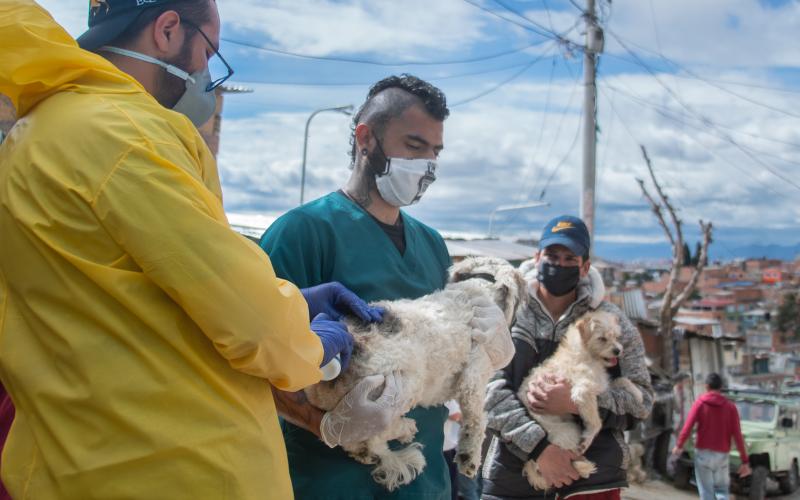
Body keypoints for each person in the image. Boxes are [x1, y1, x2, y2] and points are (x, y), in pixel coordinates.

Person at [0, 1, 374, 498]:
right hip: (176, 468)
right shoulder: (124, 133)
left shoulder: (34, 135)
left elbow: (114, 297)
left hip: (75, 460)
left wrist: (294, 302)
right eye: (209, 51)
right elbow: (254, 325)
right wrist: (311, 344)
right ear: (169, 29)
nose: (205, 74)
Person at [260, 74, 512, 499]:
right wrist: (325, 425)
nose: (428, 164)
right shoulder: (303, 233)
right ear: (366, 139)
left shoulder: (432, 246)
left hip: (423, 478)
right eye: (414, 146)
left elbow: (444, 353)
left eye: (435, 152)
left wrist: (487, 350)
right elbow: (257, 360)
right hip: (329, 483)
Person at [482, 215, 655, 500]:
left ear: (585, 267)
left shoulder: (613, 323)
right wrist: (539, 449)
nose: (558, 264)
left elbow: (642, 402)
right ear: (537, 257)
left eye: (569, 258)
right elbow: (486, 390)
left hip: (590, 482)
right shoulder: (506, 314)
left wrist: (578, 403)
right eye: (551, 255)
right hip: (512, 480)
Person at [672, 372, 751, 500]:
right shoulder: (730, 407)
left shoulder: (699, 404)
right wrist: (745, 461)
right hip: (722, 455)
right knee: (721, 491)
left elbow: (688, 426)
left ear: (706, 386)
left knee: (706, 493)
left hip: (702, 453)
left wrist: (679, 445)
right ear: (720, 388)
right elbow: (737, 435)